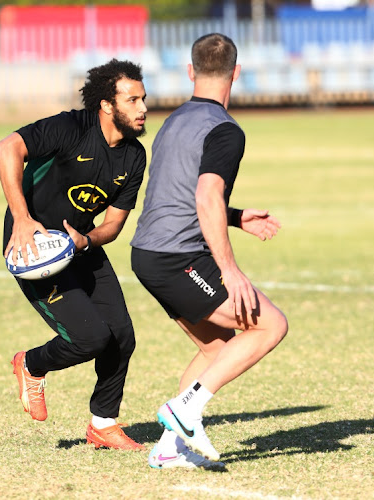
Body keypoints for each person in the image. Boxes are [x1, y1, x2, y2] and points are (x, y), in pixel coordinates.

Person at [130, 33, 288, 469]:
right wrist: (230, 269)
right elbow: (204, 196)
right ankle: (185, 410)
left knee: (216, 349)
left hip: (147, 254)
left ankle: (168, 449)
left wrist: (237, 217)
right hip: (177, 258)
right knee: (271, 326)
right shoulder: (225, 129)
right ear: (237, 73)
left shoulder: (174, 120)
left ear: (189, 72)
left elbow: (177, 193)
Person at [0, 59, 148, 451]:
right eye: (132, 100)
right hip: (32, 248)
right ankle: (31, 364)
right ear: (106, 105)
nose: (142, 108)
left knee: (121, 337)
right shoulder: (71, 128)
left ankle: (103, 424)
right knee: (91, 338)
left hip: (79, 246)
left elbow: (112, 225)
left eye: (143, 99)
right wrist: (23, 218)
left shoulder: (133, 157)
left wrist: (85, 241)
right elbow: (7, 147)